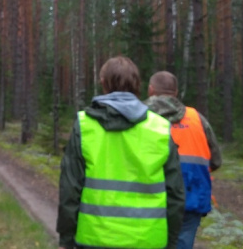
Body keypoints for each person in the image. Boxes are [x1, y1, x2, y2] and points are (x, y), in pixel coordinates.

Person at [57, 56, 185, 249]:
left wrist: (66, 240)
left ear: (103, 83)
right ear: (138, 85)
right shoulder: (160, 128)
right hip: (148, 240)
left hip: (95, 238)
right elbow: (175, 194)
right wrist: (172, 242)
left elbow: (70, 189)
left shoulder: (84, 125)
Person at [145, 71, 222, 249]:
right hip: (190, 200)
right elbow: (216, 161)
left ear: (150, 90)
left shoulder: (139, 116)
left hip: (148, 199)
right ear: (176, 92)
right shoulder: (197, 119)